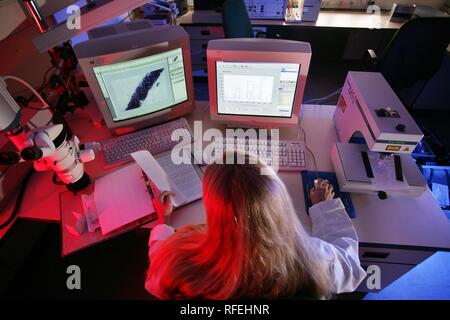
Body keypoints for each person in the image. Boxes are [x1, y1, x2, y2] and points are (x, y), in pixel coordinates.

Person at [145, 152, 366, 299]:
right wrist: (324, 208)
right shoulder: (308, 258)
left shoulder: (180, 257)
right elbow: (351, 268)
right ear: (277, 201)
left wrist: (164, 221)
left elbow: (155, 280)